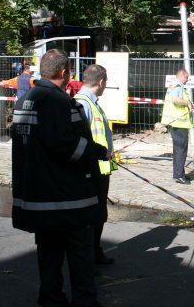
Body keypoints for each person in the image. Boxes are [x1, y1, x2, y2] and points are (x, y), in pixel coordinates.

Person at [11, 49, 110, 307]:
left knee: (49, 253)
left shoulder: (25, 100)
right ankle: (85, 302)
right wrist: (99, 152)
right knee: (80, 254)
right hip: (66, 198)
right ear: (64, 72)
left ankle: (51, 298)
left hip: (39, 195)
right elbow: (66, 145)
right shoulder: (56, 101)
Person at [74, 64, 117, 265]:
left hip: (99, 167)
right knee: (92, 215)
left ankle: (95, 252)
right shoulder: (83, 104)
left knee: (99, 214)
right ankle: (88, 257)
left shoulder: (90, 103)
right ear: (101, 82)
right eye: (105, 83)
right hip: (92, 169)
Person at [160, 68, 194, 184]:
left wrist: (190, 105)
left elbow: (179, 101)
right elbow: (175, 100)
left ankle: (178, 174)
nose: (187, 80)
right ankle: (179, 176)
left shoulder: (174, 85)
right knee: (181, 150)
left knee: (178, 150)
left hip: (176, 122)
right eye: (186, 78)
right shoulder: (178, 86)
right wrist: (188, 103)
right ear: (181, 75)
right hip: (179, 123)